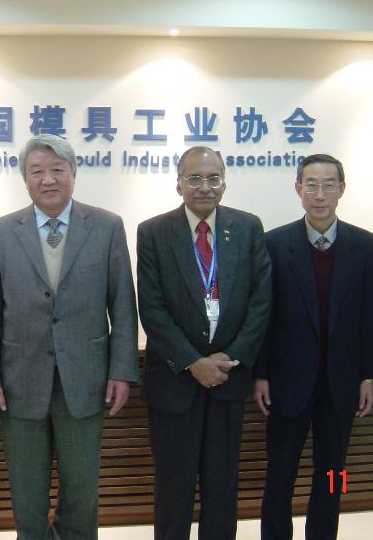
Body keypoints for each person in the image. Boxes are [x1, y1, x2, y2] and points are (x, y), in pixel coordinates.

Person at [0, 134, 138, 540]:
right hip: (19, 382)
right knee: (27, 495)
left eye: (58, 170)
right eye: (37, 171)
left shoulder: (107, 227)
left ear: (74, 174)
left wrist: (122, 371)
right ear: (25, 179)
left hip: (86, 381)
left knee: (81, 492)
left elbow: (123, 308)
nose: (48, 179)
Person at [136, 146, 271, 540]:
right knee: (173, 488)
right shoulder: (153, 232)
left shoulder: (247, 228)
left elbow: (261, 301)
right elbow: (152, 308)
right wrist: (193, 361)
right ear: (178, 184)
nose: (204, 187)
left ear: (224, 183)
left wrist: (231, 356)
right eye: (194, 178)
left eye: (213, 178)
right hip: (174, 382)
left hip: (228, 379)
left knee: (222, 487)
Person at [253, 153, 373, 540]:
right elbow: (263, 315)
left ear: (342, 190)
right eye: (311, 184)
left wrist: (369, 377)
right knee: (280, 475)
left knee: (331, 475)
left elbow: (370, 315)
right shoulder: (275, 243)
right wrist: (260, 374)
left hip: (340, 382)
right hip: (286, 382)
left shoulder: (362, 244)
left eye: (329, 185)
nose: (320, 194)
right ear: (298, 189)